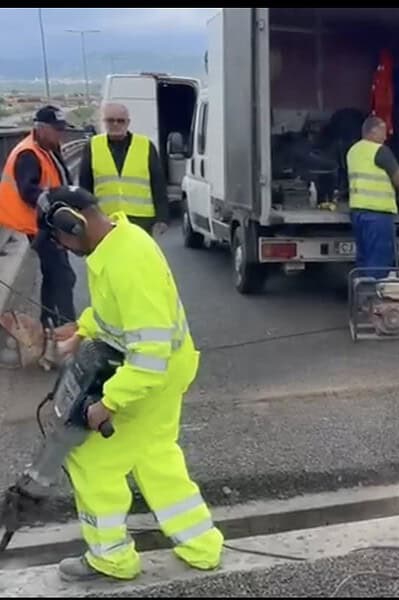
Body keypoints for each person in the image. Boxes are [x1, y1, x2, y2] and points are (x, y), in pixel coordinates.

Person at [34, 186, 223, 582]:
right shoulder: (116, 241)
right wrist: (80, 331)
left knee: (90, 459)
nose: (64, 248)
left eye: (60, 239)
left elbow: (148, 355)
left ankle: (111, 559)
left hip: (149, 375)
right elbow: (111, 312)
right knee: (154, 454)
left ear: (73, 223)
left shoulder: (127, 263)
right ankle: (201, 545)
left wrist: (109, 403)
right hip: (169, 369)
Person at [0, 105, 76, 329]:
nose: (60, 133)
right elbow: (28, 190)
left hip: (48, 223)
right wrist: (52, 205)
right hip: (38, 225)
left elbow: (61, 178)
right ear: (40, 128)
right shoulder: (28, 154)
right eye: (56, 129)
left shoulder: (49, 147)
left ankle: (49, 323)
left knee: (54, 274)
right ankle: (65, 329)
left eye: (62, 129)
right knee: (63, 276)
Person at [78, 102, 169, 237]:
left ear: (128, 122)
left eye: (120, 121)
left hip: (140, 219)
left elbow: (158, 184)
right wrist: (86, 216)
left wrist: (162, 217)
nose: (115, 124)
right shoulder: (92, 146)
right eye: (110, 120)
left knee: (137, 258)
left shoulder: (145, 145)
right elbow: (85, 185)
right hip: (106, 219)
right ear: (104, 122)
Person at [346, 116, 399, 278]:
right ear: (373, 131)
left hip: (358, 212)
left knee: (364, 259)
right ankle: (374, 298)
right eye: (383, 131)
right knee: (378, 261)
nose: (386, 136)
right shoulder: (380, 150)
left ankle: (362, 296)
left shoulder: (353, 151)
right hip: (378, 214)